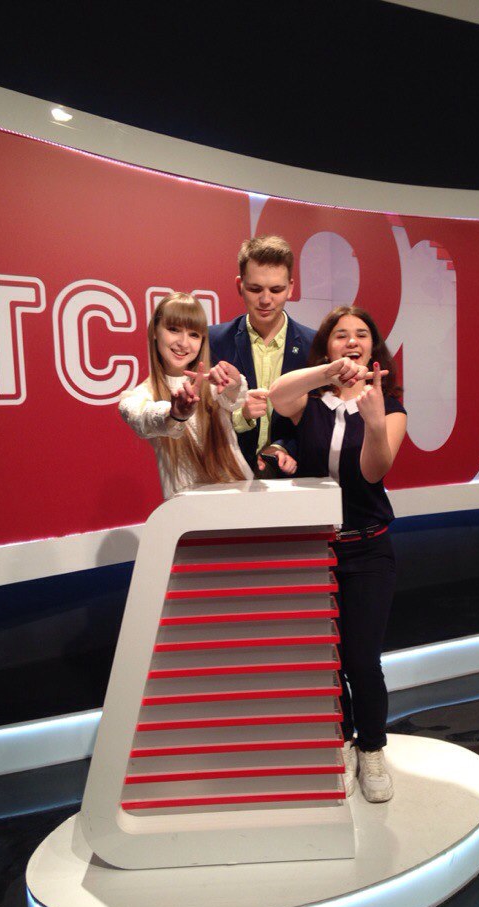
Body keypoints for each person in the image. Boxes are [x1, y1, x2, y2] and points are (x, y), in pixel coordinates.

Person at [269, 305, 407, 803]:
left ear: (374, 348)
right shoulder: (310, 401)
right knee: (327, 659)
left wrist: (374, 422)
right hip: (314, 549)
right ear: (327, 346)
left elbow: (373, 472)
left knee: (361, 659)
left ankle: (372, 748)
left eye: (361, 335)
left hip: (368, 548)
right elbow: (279, 396)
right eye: (341, 335)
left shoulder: (389, 406)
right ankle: (344, 740)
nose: (352, 341)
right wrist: (327, 374)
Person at [119, 292, 252, 498]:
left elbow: (236, 398)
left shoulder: (213, 382)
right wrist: (175, 414)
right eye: (174, 329)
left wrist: (233, 384)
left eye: (194, 334)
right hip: (187, 509)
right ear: (155, 331)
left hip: (242, 497)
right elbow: (142, 418)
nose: (183, 343)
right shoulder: (140, 396)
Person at [209, 235, 316, 476]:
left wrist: (284, 447)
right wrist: (241, 414)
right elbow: (203, 421)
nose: (266, 300)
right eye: (255, 289)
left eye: (276, 290)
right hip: (229, 478)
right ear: (239, 285)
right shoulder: (214, 341)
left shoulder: (313, 345)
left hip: (297, 480)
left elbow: (319, 419)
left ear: (291, 288)